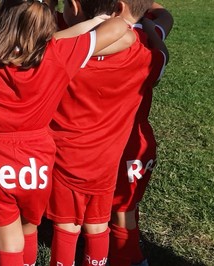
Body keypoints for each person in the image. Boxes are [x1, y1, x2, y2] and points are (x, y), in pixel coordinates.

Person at [0, 1, 132, 264]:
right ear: (47, 31)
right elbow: (119, 28)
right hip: (38, 157)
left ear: (0, 22)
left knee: (8, 238)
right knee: (29, 225)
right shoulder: (58, 53)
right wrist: (62, 35)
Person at [45, 0, 168, 265]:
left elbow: (38, 41)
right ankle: (129, 256)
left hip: (65, 158)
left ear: (76, 7)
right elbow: (164, 23)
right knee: (110, 217)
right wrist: (142, 15)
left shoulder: (61, 51)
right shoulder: (144, 51)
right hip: (115, 155)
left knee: (67, 226)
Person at [109, 2, 173, 266]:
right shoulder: (149, 38)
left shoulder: (81, 37)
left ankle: (122, 256)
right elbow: (166, 16)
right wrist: (145, 13)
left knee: (98, 209)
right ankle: (125, 255)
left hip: (99, 139)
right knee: (125, 207)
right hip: (136, 141)